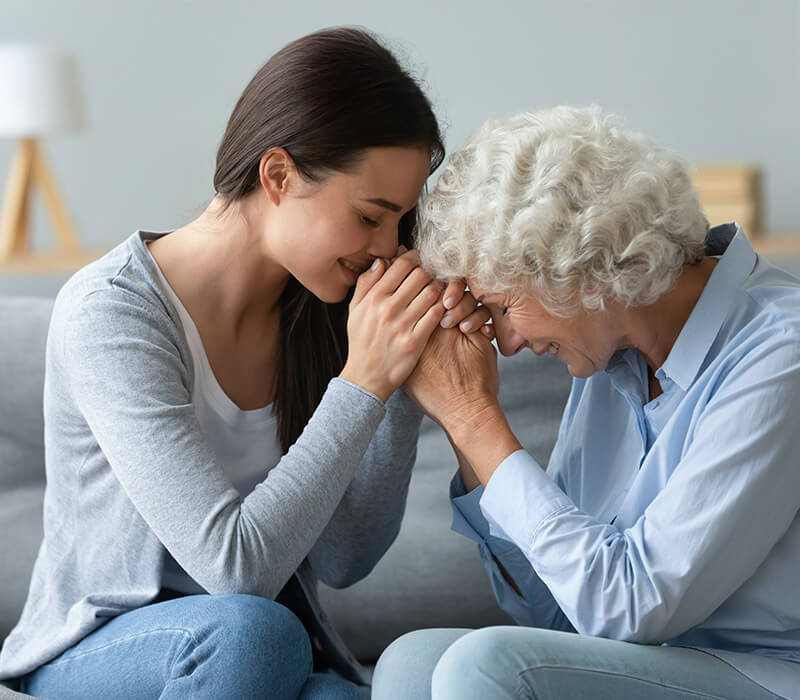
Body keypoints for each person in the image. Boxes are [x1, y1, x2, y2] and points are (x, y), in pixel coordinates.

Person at [0, 27, 489, 699]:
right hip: (105, 649)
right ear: (279, 175)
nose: (385, 250)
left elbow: (346, 559)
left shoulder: (327, 309)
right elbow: (235, 571)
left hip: (258, 657)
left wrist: (401, 374)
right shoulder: (111, 313)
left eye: (398, 224)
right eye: (371, 216)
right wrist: (364, 379)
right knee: (255, 633)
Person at [373, 106, 800, 700]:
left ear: (577, 268)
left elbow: (630, 607)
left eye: (500, 306)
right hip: (667, 667)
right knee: (412, 662)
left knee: (483, 666)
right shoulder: (607, 364)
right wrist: (461, 416)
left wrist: (479, 421)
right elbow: (556, 616)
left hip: (773, 673)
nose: (509, 342)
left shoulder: (783, 354)